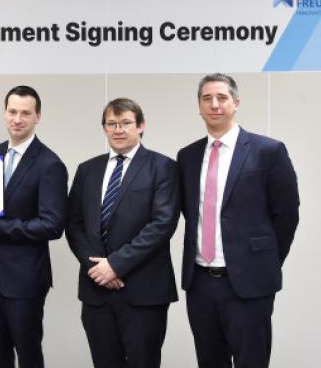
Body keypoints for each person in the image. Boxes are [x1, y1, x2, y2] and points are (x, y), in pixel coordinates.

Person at [178, 73, 300, 368]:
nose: (214, 104)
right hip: (200, 282)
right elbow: (188, 211)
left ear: (236, 103)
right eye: (207, 98)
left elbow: (287, 214)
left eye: (222, 98)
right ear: (199, 106)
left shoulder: (268, 151)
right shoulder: (187, 156)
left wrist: (263, 260)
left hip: (249, 282)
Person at [66, 98, 179, 368]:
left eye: (126, 123)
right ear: (104, 128)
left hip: (143, 291)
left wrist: (115, 265)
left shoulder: (162, 167)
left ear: (141, 126)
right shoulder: (87, 169)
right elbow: (73, 224)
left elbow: (162, 225)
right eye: (112, 124)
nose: (118, 130)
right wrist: (97, 269)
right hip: (97, 291)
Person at [0, 85, 67, 368]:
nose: (17, 119)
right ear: (4, 113)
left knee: (28, 355)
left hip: (24, 277)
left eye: (25, 113)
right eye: (12, 112)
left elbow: (52, 225)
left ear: (38, 117)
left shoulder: (50, 164)